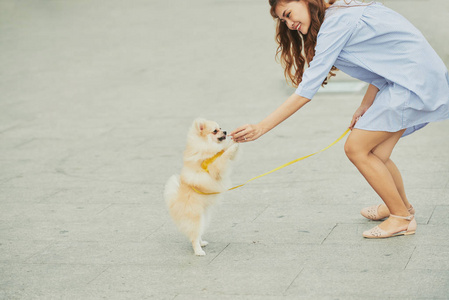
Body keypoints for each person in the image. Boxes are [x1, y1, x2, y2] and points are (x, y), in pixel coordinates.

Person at [229, 0, 449, 238]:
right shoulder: (340, 11)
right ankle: (400, 205)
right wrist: (365, 105)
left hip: (412, 83)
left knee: (356, 148)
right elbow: (383, 63)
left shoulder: (336, 23)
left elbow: (306, 90)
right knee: (376, 152)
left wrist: (261, 127)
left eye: (289, 14)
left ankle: (400, 218)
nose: (290, 24)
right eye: (283, 20)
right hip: (413, 78)